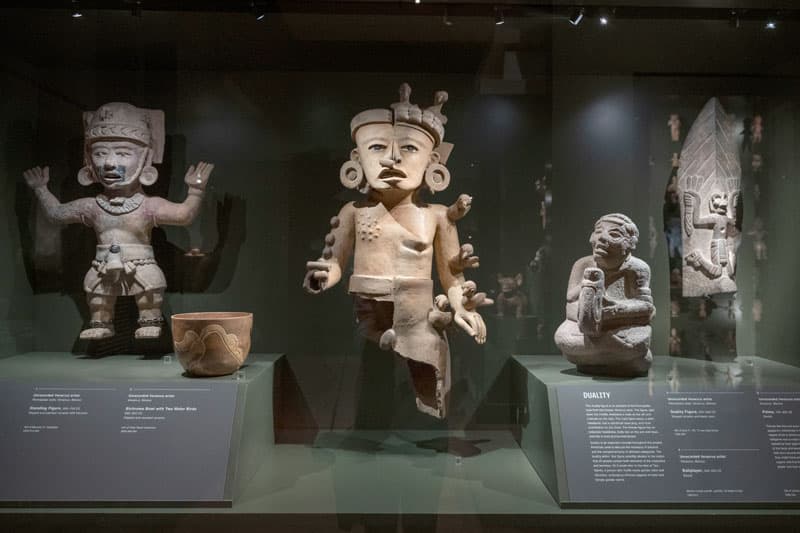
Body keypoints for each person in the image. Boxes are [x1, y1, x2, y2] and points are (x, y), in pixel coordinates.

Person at [303, 84, 489, 418]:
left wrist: (461, 306)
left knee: (428, 384)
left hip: (419, 318)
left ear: (432, 162)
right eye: (376, 147)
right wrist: (323, 276)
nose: (391, 158)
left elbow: (452, 275)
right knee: (370, 395)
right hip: (369, 314)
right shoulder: (353, 212)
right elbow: (335, 262)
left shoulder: (437, 215)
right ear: (357, 159)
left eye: (408, 148)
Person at [24, 102, 212, 340]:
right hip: (102, 265)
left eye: (122, 153)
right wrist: (41, 189)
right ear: (89, 162)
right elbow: (57, 214)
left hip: (141, 263)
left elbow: (184, 215)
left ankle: (150, 319)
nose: (110, 163)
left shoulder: (148, 206)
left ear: (145, 160)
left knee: (150, 289)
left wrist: (196, 191)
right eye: (100, 153)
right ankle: (101, 323)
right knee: (96, 293)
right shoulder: (92, 207)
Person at [554, 213, 655, 376]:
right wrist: (587, 291)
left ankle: (591, 356)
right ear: (591, 238)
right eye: (598, 231)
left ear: (630, 244)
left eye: (614, 234)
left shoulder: (637, 268)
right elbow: (570, 301)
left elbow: (646, 307)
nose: (602, 238)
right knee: (562, 337)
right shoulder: (583, 264)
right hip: (582, 330)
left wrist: (614, 311)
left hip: (621, 327)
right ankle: (622, 357)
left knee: (637, 341)